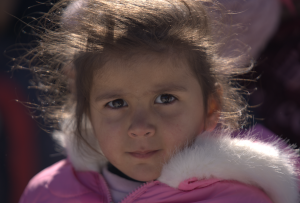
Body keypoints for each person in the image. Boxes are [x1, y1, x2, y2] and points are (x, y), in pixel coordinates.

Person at [18, 0, 299, 202]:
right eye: (116, 103)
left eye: (165, 99)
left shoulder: (239, 197)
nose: (140, 127)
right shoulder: (47, 191)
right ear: (86, 110)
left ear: (211, 106)